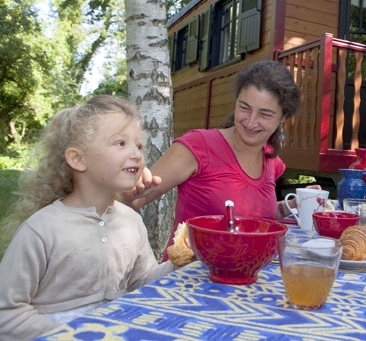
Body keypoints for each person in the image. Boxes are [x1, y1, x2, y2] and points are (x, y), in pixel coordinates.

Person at [0, 95, 175, 340]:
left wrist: (182, 261)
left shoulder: (130, 222)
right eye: (120, 143)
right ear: (78, 159)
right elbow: (1, 313)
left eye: (139, 146)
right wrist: (73, 335)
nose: (136, 155)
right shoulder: (42, 230)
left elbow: (143, 283)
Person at [125, 60, 301, 258]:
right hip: (190, 281)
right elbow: (130, 199)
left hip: (247, 279)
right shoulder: (198, 146)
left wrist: (289, 206)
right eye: (244, 108)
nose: (251, 122)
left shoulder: (271, 161)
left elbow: (252, 215)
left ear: (283, 117)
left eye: (265, 114)